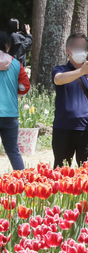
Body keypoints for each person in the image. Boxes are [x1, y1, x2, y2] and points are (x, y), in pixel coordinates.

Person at [52, 33, 88, 168]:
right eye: (77, 47)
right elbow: (58, 80)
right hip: (63, 128)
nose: (82, 50)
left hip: (86, 128)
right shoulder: (60, 69)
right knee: (60, 169)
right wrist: (81, 71)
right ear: (68, 50)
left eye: (84, 48)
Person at [0, 31, 29, 170]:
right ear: (7, 45)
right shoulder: (16, 64)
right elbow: (24, 87)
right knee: (13, 151)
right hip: (10, 114)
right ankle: (22, 185)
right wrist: (12, 94)